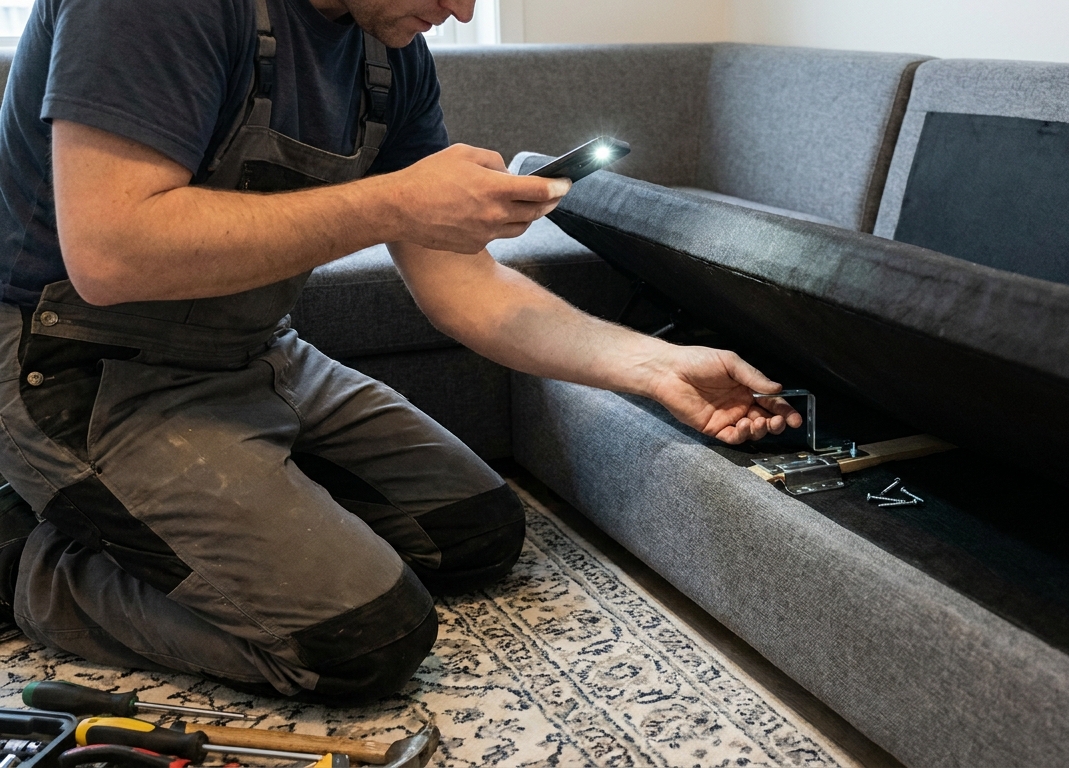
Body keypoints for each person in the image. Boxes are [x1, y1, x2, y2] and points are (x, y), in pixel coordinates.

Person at [0, 0, 801, 703]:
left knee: (474, 533)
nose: (458, 10)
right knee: (362, 640)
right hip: (75, 365)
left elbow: (466, 285)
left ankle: (184, 513)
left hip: (255, 352)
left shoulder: (391, 54)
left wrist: (656, 367)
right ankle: (28, 565)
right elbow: (111, 256)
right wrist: (393, 200)